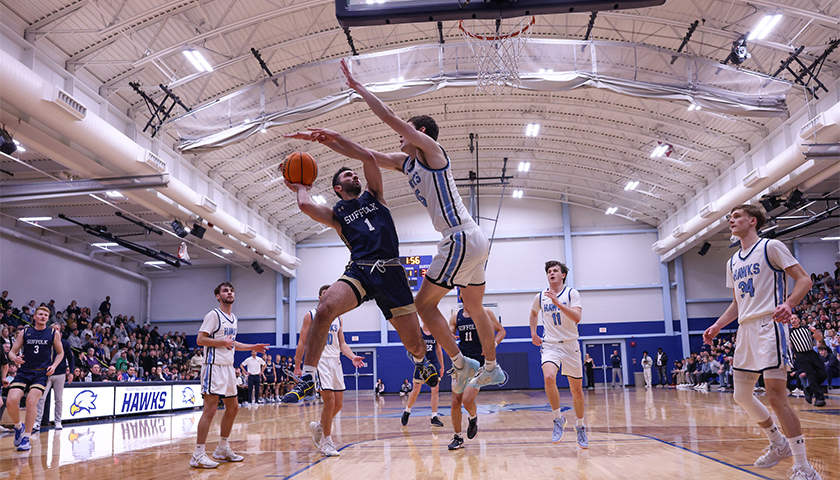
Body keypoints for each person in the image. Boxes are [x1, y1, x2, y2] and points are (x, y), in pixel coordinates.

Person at [285, 58, 507, 395]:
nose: (399, 138)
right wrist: (327, 138)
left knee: (424, 306)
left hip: (457, 237)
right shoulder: (407, 164)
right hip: (469, 241)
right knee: (475, 309)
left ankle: (461, 365)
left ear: (417, 134)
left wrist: (359, 89)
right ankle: (491, 368)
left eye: (406, 133)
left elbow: (389, 119)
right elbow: (367, 154)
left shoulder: (432, 153)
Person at [280, 148, 438, 406]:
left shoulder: (375, 196)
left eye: (354, 174)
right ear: (338, 189)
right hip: (361, 270)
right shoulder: (336, 214)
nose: (354, 175)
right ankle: (308, 378)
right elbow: (305, 205)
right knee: (325, 308)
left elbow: (369, 159)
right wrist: (300, 186)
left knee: (415, 344)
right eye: (347, 175)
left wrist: (337, 142)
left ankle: (421, 362)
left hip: (392, 271)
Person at [703, 204, 820, 480]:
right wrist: (718, 325)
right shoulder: (732, 262)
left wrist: (790, 304)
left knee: (776, 397)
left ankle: (804, 467)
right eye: (730, 217)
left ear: (752, 220)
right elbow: (737, 303)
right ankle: (778, 443)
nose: (731, 220)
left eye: (737, 216)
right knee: (741, 395)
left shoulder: (771, 247)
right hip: (745, 329)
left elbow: (804, 280)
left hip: (770, 325)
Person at [191, 282, 268, 469]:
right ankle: (198, 455)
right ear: (218, 296)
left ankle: (222, 448)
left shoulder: (233, 318)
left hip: (227, 368)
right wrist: (220, 343)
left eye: (232, 290)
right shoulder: (213, 315)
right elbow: (200, 339)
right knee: (209, 410)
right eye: (225, 291)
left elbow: (231, 343)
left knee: (233, 408)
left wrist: (252, 347)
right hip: (213, 366)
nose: (230, 292)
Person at [292, 285, 364, 457]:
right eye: (325, 295)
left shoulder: (338, 318)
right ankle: (328, 442)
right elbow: (302, 342)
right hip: (320, 361)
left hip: (335, 362)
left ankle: (318, 426)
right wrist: (297, 366)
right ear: (320, 298)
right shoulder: (310, 315)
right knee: (329, 401)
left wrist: (352, 356)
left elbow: (342, 343)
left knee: (338, 403)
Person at [530, 261, 587, 448]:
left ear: (563, 275)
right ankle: (557, 419)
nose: (551, 273)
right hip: (550, 345)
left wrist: (557, 302)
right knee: (548, 377)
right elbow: (533, 314)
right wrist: (533, 333)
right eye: (548, 271)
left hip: (570, 346)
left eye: (555, 271)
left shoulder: (572, 293)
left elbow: (577, 317)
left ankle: (580, 425)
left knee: (576, 392)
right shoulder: (540, 296)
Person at [447, 296, 505, 450]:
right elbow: (449, 335)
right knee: (455, 401)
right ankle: (458, 437)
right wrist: (449, 336)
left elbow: (501, 331)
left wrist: (491, 345)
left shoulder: (485, 312)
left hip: (479, 364)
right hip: (461, 363)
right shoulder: (455, 316)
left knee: (467, 400)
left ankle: (473, 418)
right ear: (461, 296)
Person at [7, 306, 64, 451]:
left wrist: (54, 365)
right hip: (24, 371)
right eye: (40, 314)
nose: (43, 316)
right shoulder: (25, 332)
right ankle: (19, 427)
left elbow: (60, 353)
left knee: (31, 401)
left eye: (46, 315)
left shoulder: (53, 333)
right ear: (34, 316)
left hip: (41, 373)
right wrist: (15, 358)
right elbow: (12, 353)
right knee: (11, 400)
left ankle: (26, 437)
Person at [402, 321, 446, 428]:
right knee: (416, 390)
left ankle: (434, 417)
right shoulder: (418, 332)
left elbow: (439, 350)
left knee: (435, 389)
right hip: (421, 363)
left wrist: (442, 365)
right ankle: (407, 410)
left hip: (433, 364)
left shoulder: (435, 332)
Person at [32, 324, 74, 431]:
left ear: (60, 331)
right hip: (45, 374)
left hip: (60, 374)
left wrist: (71, 372)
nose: (56, 331)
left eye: (57, 329)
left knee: (58, 399)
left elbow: (70, 358)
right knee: (41, 398)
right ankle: (37, 422)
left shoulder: (64, 343)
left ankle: (58, 421)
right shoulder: (45, 341)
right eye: (53, 329)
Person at [788, 315, 827, 407]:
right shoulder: (788, 332)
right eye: (792, 319)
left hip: (811, 353)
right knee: (811, 375)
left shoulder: (807, 328)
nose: (794, 320)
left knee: (823, 373)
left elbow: (819, 339)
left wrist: (815, 331)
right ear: (790, 321)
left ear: (799, 320)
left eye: (795, 318)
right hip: (801, 355)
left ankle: (809, 389)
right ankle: (819, 397)